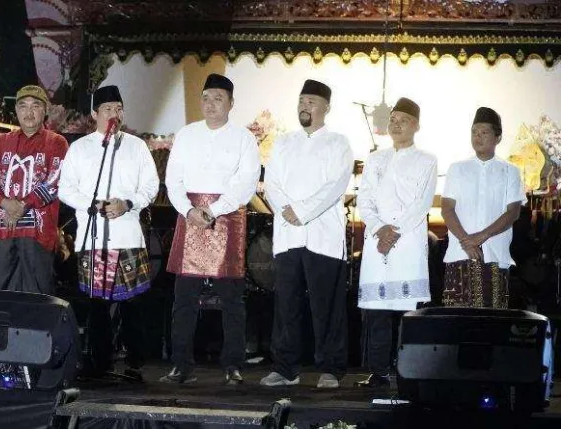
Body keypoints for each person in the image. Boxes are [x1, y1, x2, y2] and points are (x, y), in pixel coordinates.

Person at [161, 73, 261, 384]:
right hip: (189, 216)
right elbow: (173, 179)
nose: (210, 104)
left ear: (231, 103)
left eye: (218, 98)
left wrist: (213, 210)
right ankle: (181, 365)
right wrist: (189, 210)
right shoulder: (186, 134)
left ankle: (233, 365)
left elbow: (246, 183)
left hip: (226, 218)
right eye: (206, 98)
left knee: (231, 298)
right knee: (184, 297)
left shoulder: (244, 138)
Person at [59, 85, 159, 378]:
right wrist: (92, 205)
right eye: (107, 110)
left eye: (118, 109)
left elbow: (151, 186)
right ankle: (100, 361)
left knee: (132, 302)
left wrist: (127, 203)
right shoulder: (80, 148)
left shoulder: (136, 146)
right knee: (98, 303)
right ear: (94, 114)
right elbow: (66, 189)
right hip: (94, 236)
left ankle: (135, 362)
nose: (114, 114)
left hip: (127, 235)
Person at [260, 80, 353, 388]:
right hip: (288, 235)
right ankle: (285, 368)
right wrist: (287, 209)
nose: (305, 106)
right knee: (286, 303)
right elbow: (271, 182)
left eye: (311, 101)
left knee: (326, 306)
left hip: (323, 236)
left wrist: (301, 211)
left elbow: (336, 185)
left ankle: (331, 368)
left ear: (327, 108)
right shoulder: (284, 142)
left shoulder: (338, 143)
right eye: (302, 100)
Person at [356, 97, 437, 387]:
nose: (396, 124)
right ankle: (378, 372)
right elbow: (365, 199)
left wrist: (393, 232)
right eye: (393, 119)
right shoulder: (376, 159)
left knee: (407, 312)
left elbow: (422, 203)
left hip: (407, 242)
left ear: (416, 126)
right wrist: (380, 229)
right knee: (377, 311)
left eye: (403, 120)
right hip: (378, 241)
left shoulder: (427, 160)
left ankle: (407, 373)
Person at [0, 85, 68, 294]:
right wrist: (4, 202)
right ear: (16, 110)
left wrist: (23, 205)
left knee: (37, 296)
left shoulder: (56, 142)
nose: (29, 112)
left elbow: (56, 180)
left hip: (37, 232)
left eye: (35, 106)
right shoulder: (0, 142)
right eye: (23, 106)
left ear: (45, 110)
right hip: (2, 229)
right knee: (0, 295)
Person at [441, 107, 525, 308]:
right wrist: (467, 242)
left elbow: (513, 212)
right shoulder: (457, 168)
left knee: (492, 320)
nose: (477, 136)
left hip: (494, 255)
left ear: (498, 137)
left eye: (484, 132)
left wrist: (481, 236)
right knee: (456, 320)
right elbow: (447, 209)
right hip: (460, 255)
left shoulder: (510, 171)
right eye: (474, 132)